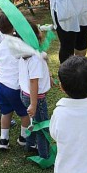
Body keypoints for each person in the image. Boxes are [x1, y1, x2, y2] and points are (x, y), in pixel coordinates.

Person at [0, 11, 31, 150]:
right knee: (25, 113)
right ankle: (23, 137)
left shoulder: (0, 45)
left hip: (0, 85)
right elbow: (28, 56)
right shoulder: (17, 44)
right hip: (13, 88)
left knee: (5, 112)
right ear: (14, 26)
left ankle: (3, 140)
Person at [16, 21, 52, 160]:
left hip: (24, 94)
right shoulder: (35, 59)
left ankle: (30, 144)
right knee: (42, 126)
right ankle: (44, 155)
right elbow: (33, 81)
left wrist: (49, 77)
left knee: (34, 122)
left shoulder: (26, 54)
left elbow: (41, 59)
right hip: (36, 98)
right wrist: (34, 104)